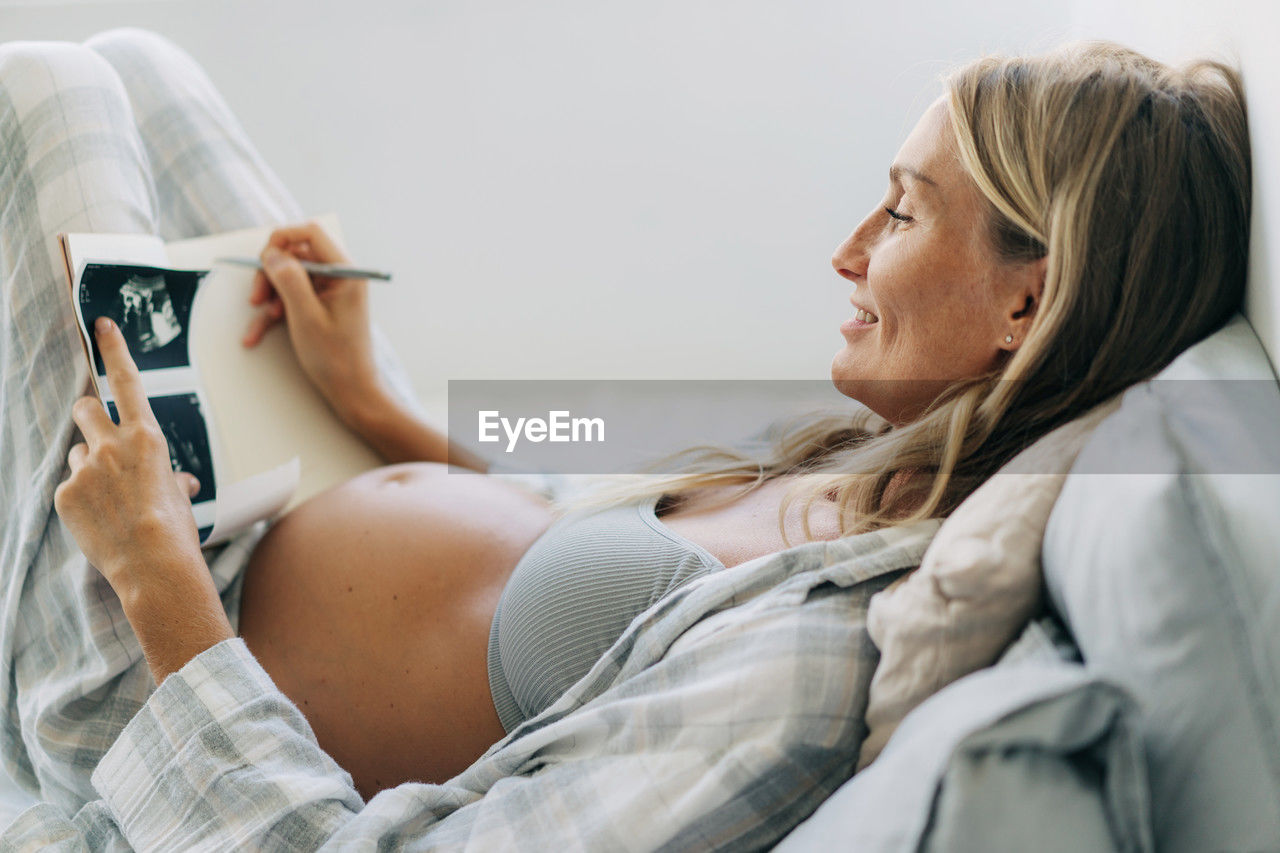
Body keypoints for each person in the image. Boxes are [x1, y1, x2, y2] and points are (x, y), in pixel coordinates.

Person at [0, 27, 1248, 850]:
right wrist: (375, 402)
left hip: (144, 687)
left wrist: (160, 583)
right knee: (139, 71)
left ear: (1028, 302)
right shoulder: (858, 455)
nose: (848, 249)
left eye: (903, 211)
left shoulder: (814, 670)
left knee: (45, 93)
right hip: (231, 526)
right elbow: (550, 520)